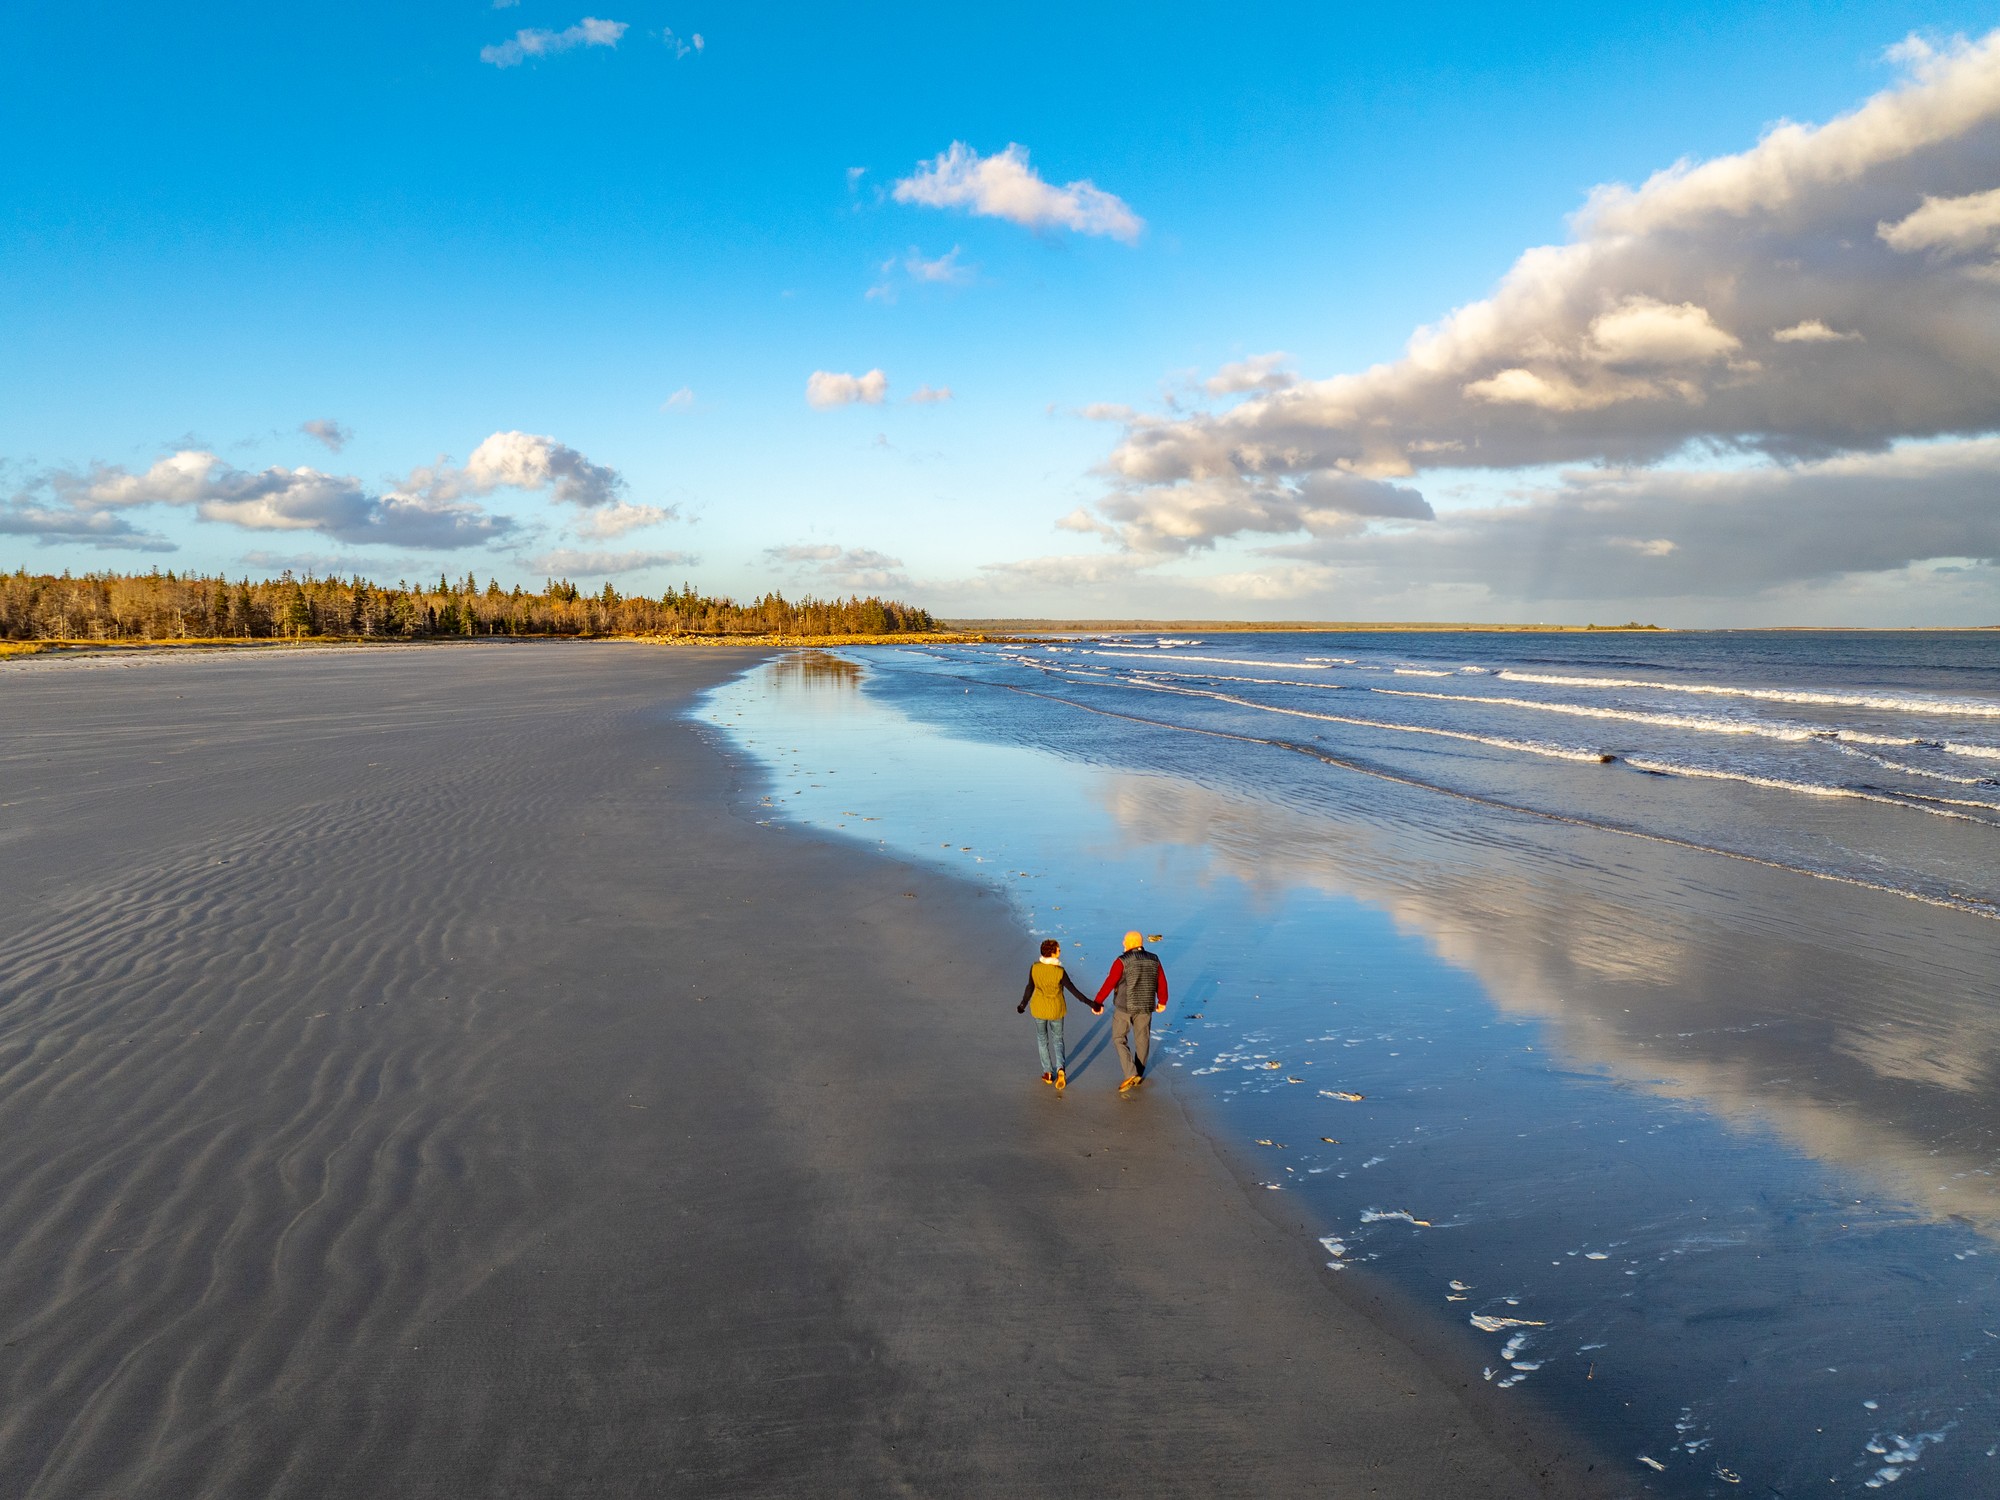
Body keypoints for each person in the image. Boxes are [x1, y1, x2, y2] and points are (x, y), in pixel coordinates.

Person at [1094, 931, 1168, 1093]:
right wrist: (1162, 1001)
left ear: (1132, 943)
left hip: (1124, 1006)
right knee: (1143, 1039)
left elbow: (1110, 982)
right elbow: (1161, 981)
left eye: (1125, 941)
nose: (1122, 943)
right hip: (1146, 1005)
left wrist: (1098, 1001)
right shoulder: (1154, 959)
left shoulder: (1122, 961)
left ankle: (1130, 1072)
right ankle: (1139, 1074)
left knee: (1119, 1038)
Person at [1017, 938, 1092, 1090]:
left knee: (1042, 1039)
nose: (1060, 951)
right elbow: (1074, 991)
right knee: (1058, 1039)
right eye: (1058, 949)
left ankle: (1047, 1072)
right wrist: (1091, 1003)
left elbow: (1029, 988)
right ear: (1052, 952)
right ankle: (1060, 1068)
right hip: (1056, 1009)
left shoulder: (1035, 968)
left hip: (1039, 1008)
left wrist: (1023, 1004)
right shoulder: (1059, 971)